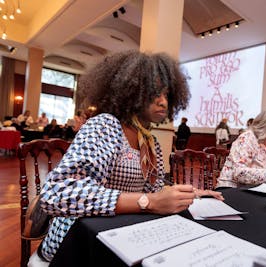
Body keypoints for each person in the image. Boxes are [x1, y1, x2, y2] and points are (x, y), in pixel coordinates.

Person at [37, 50, 224, 262]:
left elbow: (153, 189)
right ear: (131, 92)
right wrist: (149, 202)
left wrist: (192, 193)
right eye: (154, 93)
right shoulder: (105, 125)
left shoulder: (150, 141)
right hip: (77, 240)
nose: (163, 102)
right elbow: (57, 194)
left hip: (120, 233)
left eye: (167, 95)